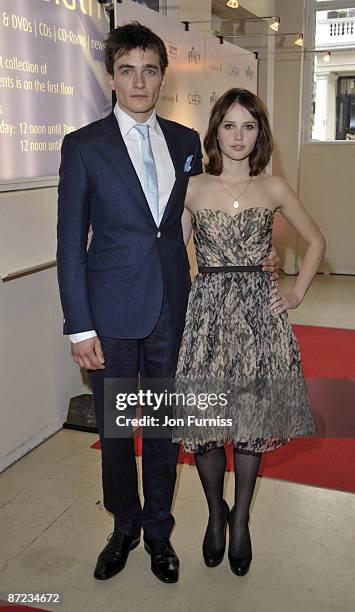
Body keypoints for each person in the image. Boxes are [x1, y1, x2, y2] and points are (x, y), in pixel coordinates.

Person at [56, 23, 278, 585]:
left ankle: (158, 529)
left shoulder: (184, 144)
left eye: (149, 69)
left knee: (160, 428)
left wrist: (261, 258)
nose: (139, 80)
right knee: (114, 429)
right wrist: (79, 327)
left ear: (162, 76)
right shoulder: (83, 146)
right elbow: (69, 245)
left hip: (173, 312)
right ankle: (122, 526)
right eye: (127, 69)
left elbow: (210, 215)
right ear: (111, 77)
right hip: (109, 315)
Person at [174, 88, 326, 577]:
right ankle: (215, 511)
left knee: (252, 423)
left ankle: (240, 518)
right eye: (229, 125)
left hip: (261, 318)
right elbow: (172, 253)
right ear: (214, 131)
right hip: (208, 316)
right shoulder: (193, 188)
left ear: (260, 133)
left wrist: (297, 292)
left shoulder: (275, 187)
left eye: (249, 126)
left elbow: (317, 240)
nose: (238, 136)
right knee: (207, 427)